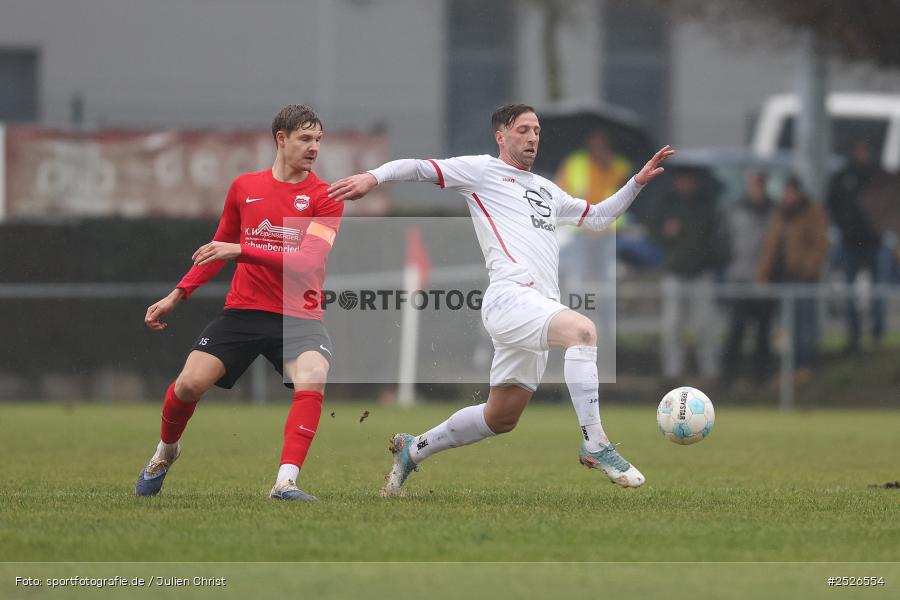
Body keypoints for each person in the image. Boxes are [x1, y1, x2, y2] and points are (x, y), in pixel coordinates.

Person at [328, 104, 672, 494]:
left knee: (501, 417)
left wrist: (637, 182)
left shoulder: (545, 189)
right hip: (510, 298)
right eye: (523, 129)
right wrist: (373, 177)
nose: (532, 137)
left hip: (538, 306)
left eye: (537, 131)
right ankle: (596, 442)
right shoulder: (481, 171)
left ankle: (414, 448)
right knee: (583, 332)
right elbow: (419, 167)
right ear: (501, 136)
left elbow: (597, 218)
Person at [135, 105, 343, 501]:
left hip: (299, 315)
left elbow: (308, 261)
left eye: (318, 139)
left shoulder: (324, 196)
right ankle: (166, 451)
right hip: (244, 312)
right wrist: (177, 295)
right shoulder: (245, 188)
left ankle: (285, 483)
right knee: (189, 384)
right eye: (305, 138)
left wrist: (240, 250)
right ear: (280, 139)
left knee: (313, 376)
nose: (314, 147)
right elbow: (216, 250)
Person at [648, 167, 726, 382]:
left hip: (701, 272)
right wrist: (665, 233)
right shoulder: (667, 204)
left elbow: (716, 238)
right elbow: (653, 232)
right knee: (672, 326)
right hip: (675, 272)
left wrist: (710, 258)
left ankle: (710, 373)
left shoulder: (706, 205)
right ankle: (672, 373)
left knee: (705, 326)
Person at [757, 176, 829, 383]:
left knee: (804, 324)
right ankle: (786, 367)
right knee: (784, 327)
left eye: (791, 193)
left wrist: (807, 269)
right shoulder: (780, 214)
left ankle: (804, 366)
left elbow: (820, 245)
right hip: (781, 279)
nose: (788, 197)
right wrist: (763, 273)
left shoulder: (811, 212)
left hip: (802, 280)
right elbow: (770, 247)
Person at [827, 140, 885, 352]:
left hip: (874, 242)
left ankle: (877, 333)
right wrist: (844, 226)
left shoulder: (876, 176)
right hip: (850, 243)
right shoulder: (843, 177)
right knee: (851, 291)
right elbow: (832, 203)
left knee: (877, 291)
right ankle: (854, 335)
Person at [721, 171, 775, 382]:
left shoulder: (773, 211)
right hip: (740, 279)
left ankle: (760, 379)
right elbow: (723, 241)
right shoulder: (736, 210)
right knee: (736, 330)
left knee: (763, 333)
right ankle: (728, 379)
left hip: (765, 281)